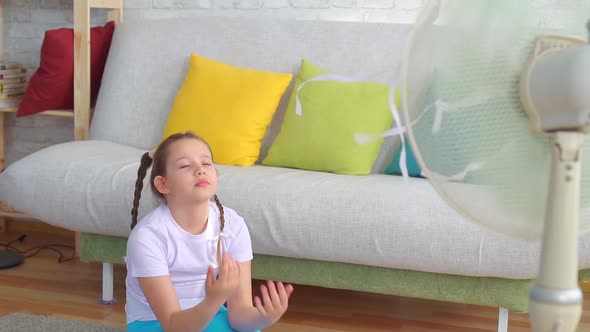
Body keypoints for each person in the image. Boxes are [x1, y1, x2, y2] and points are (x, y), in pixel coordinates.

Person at [125, 131, 294, 332]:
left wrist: (263, 318)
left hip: (212, 315)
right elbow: (172, 325)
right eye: (185, 165)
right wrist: (214, 299)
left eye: (206, 164)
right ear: (163, 184)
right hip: (156, 323)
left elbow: (239, 316)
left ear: (216, 175)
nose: (200, 170)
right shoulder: (148, 237)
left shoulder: (233, 225)